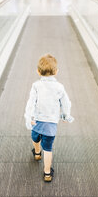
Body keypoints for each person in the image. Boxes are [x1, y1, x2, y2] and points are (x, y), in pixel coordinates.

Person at [24, 54, 73, 182]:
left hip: (37, 121)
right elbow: (66, 103)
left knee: (35, 137)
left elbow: (31, 102)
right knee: (48, 149)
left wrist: (28, 117)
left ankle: (36, 152)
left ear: (38, 71)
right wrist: (66, 115)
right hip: (51, 124)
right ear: (56, 72)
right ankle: (47, 173)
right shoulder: (59, 87)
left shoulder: (36, 86)